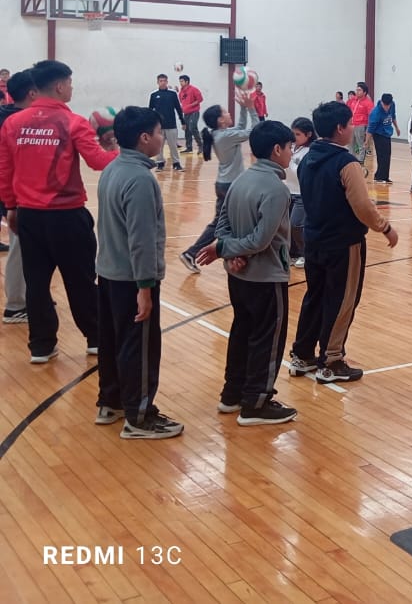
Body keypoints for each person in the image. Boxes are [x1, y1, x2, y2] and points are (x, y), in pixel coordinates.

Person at [0, 60, 117, 364]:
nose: (72, 88)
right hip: (66, 216)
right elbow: (98, 162)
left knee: (36, 283)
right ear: (60, 85)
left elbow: (5, 169)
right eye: (70, 83)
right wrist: (116, 149)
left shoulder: (12, 123)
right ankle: (96, 338)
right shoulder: (73, 122)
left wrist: (11, 207)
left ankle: (41, 346)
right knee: (80, 281)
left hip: (28, 216)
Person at [195, 119, 298, 425]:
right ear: (277, 149)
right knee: (268, 339)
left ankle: (232, 395)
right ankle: (256, 403)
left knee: (241, 332)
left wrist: (229, 251)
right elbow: (261, 240)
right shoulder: (277, 190)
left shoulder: (240, 180)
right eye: (289, 147)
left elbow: (222, 225)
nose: (291, 153)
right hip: (266, 278)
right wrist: (228, 250)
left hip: (238, 276)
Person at [291, 101, 399, 383]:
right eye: (350, 124)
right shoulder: (346, 163)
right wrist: (385, 228)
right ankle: (331, 361)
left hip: (313, 239)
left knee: (315, 297)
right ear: (340, 128)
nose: (353, 128)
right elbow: (363, 206)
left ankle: (302, 355)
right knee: (341, 300)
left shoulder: (306, 159)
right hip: (343, 243)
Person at [93, 106, 184, 439]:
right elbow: (141, 239)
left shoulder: (112, 169)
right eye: (159, 132)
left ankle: (112, 402)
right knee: (140, 348)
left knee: (112, 342)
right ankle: (140, 417)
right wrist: (145, 287)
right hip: (132, 279)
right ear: (145, 138)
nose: (163, 138)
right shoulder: (141, 179)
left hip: (108, 274)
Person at [179, 94, 258, 274]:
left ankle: (197, 253)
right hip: (231, 186)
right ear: (220, 120)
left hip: (223, 184)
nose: (229, 113)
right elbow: (254, 131)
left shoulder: (220, 134)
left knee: (223, 223)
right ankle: (200, 253)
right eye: (226, 112)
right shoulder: (226, 136)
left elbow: (240, 127)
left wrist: (243, 108)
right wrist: (251, 108)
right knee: (230, 222)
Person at [0, 70, 35, 323]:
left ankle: (30, 295)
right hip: (14, 193)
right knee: (19, 247)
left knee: (30, 247)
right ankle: (14, 306)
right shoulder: (15, 121)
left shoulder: (9, 116)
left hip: (16, 192)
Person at [286, 116, 315, 267]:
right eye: (293, 133)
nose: (294, 137)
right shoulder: (289, 147)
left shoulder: (310, 151)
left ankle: (306, 253)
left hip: (301, 194)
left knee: (296, 224)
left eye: (297, 134)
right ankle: (293, 253)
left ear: (308, 134)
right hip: (287, 191)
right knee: (286, 225)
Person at [148, 73, 184, 171]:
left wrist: (182, 121)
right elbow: (150, 110)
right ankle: (160, 163)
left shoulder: (172, 94)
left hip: (171, 125)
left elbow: (178, 108)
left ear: (167, 82)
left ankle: (176, 163)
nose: (163, 82)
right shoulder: (154, 95)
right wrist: (150, 124)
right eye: (161, 81)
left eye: (164, 81)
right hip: (159, 126)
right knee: (159, 146)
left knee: (173, 146)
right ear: (157, 82)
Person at [368, 92, 400, 184]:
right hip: (378, 134)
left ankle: (384, 176)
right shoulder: (376, 112)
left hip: (387, 133)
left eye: (388, 105)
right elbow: (370, 128)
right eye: (385, 105)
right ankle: (379, 176)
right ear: (381, 102)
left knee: (387, 155)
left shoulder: (392, 105)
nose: (387, 107)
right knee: (381, 156)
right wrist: (366, 141)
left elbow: (393, 116)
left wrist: (397, 128)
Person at [347, 83, 374, 168]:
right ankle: (351, 159)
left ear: (364, 92)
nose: (357, 92)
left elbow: (371, 116)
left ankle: (360, 160)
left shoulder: (368, 103)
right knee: (350, 143)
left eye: (359, 90)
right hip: (351, 125)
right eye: (357, 90)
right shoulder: (353, 100)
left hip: (361, 125)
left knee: (360, 143)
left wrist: (368, 129)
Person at [178, 74, 203, 154]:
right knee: (187, 130)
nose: (180, 83)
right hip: (186, 113)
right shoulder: (181, 92)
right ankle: (189, 147)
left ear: (187, 82)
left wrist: (191, 105)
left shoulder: (194, 89)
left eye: (182, 81)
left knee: (192, 127)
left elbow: (200, 99)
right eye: (180, 81)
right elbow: (182, 102)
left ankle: (201, 145)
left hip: (194, 112)